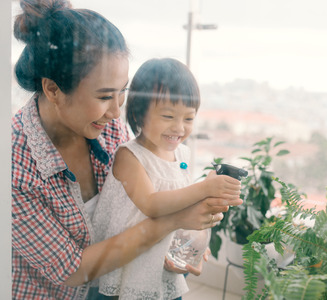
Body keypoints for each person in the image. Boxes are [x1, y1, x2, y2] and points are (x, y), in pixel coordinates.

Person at [11, 1, 242, 299]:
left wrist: (177, 242)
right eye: (106, 95)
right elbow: (72, 271)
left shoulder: (105, 125)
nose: (117, 110)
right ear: (53, 89)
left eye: (123, 91)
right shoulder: (14, 165)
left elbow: (134, 207)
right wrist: (173, 221)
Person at [92, 58, 241, 299]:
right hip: (128, 268)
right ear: (139, 114)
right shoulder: (129, 156)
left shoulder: (181, 154)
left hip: (163, 264)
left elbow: (180, 205)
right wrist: (204, 188)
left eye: (189, 118)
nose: (179, 128)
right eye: (168, 117)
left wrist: (196, 245)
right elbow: (152, 204)